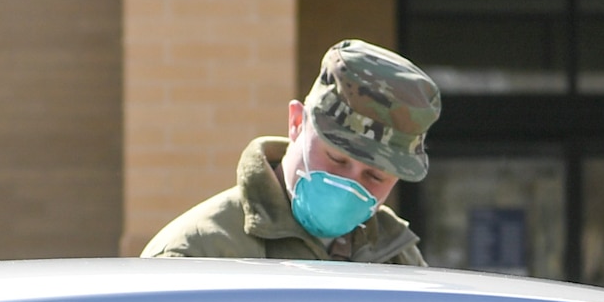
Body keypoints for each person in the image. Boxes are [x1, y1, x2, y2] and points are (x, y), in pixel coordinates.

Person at [141, 40, 441, 265]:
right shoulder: (198, 252)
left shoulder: (397, 256)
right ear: (297, 123)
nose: (350, 183)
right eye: (337, 158)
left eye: (375, 175)